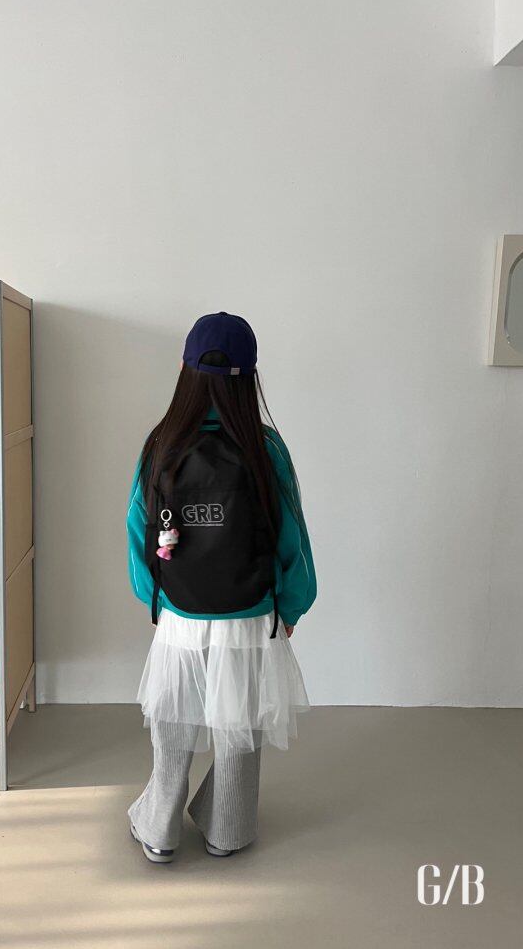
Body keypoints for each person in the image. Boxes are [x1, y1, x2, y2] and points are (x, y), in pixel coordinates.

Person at [126, 312, 316, 863]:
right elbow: (291, 536)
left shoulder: (161, 444)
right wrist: (291, 606)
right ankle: (226, 831)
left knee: (174, 720)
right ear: (249, 376)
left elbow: (138, 530)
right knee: (241, 724)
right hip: (250, 611)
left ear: (185, 370)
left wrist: (156, 600)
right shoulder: (264, 448)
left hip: (181, 611)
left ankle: (159, 829)